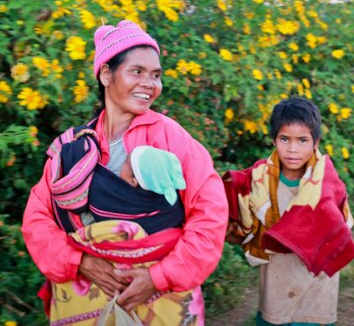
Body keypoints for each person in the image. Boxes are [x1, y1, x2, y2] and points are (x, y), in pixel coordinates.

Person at [22, 19, 228, 325]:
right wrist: (78, 261)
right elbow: (37, 219)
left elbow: (210, 215)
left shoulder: (172, 138)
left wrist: (159, 276)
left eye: (156, 75)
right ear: (106, 74)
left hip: (162, 304)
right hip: (85, 304)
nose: (149, 83)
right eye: (137, 72)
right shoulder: (71, 148)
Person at [223, 97, 354, 326]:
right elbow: (235, 217)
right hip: (277, 283)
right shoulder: (258, 181)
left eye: (302, 140)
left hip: (317, 285)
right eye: (285, 139)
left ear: (316, 142)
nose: (293, 149)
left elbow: (340, 229)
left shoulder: (326, 184)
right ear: (275, 140)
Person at [119, 145, 187, 205]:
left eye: (125, 162)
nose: (121, 165)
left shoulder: (129, 204)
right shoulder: (167, 204)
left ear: (133, 181)